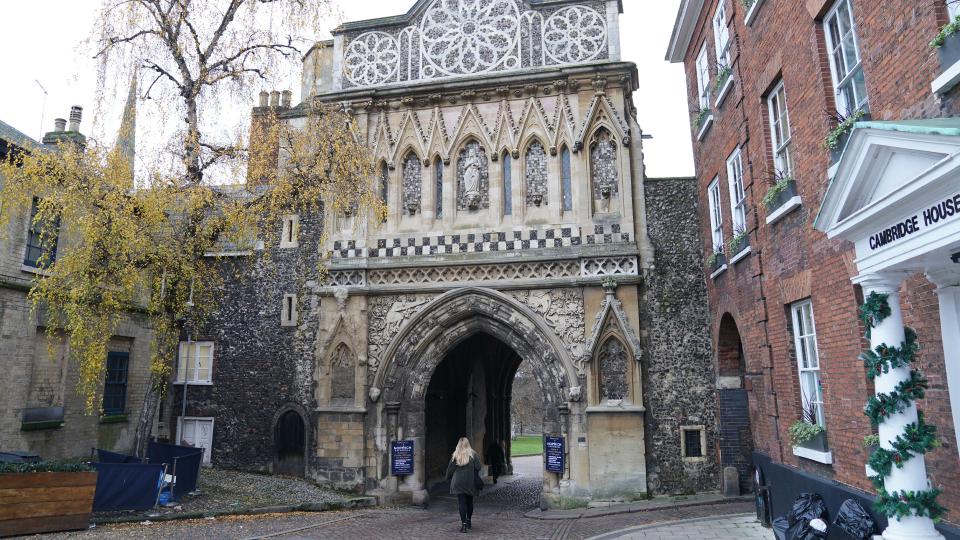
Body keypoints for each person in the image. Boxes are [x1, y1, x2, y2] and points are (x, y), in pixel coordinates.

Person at [445, 437, 481, 533]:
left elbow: (450, 469)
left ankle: (463, 525)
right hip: (470, 482)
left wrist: (447, 478)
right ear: (468, 444)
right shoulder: (473, 454)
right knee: (469, 502)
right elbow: (478, 467)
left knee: (462, 503)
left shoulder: (456, 454)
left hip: (458, 482)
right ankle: (468, 521)